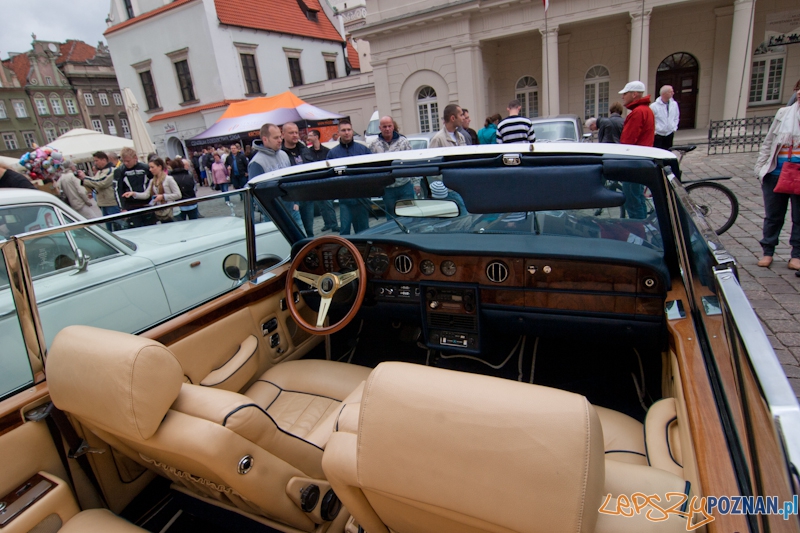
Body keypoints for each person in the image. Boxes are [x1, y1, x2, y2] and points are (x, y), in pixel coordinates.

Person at [754, 86, 800, 271]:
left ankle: (796, 254)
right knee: (773, 216)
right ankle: (768, 251)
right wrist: (760, 167)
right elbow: (769, 141)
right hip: (776, 172)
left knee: (799, 217)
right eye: (799, 88)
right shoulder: (784, 113)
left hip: (798, 174)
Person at [249, 123, 301, 230]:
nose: (280, 140)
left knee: (303, 243)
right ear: (265, 139)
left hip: (292, 209)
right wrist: (271, 212)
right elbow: (256, 194)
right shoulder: (257, 163)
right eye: (276, 137)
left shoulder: (283, 154)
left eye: (280, 137)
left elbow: (291, 179)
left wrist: (296, 202)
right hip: (275, 215)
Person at [619, 81, 655, 220]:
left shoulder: (638, 112)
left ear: (634, 94)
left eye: (625, 94)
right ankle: (643, 226)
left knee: (633, 201)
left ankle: (638, 230)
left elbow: (628, 140)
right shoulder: (646, 110)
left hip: (633, 161)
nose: (623, 97)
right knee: (638, 198)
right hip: (641, 159)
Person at [328, 119, 371, 234]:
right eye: (343, 130)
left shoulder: (363, 150)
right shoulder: (332, 154)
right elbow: (329, 176)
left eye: (348, 130)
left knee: (363, 232)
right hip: (344, 199)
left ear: (352, 131)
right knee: (344, 231)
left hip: (362, 198)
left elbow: (372, 172)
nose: (346, 132)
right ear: (338, 133)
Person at [370, 116, 414, 218]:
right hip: (387, 187)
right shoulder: (374, 145)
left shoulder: (404, 142)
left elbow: (412, 162)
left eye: (389, 126)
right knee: (392, 218)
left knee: (410, 215)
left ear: (393, 126)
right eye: (384, 126)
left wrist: (416, 183)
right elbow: (372, 167)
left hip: (405, 185)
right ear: (380, 128)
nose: (387, 129)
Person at [122, 158, 181, 223]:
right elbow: (146, 195)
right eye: (150, 167)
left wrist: (163, 197)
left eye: (152, 167)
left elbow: (178, 194)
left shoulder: (168, 179)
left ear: (159, 167)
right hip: (161, 212)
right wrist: (133, 193)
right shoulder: (152, 181)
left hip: (172, 212)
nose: (150, 170)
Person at [282, 122, 315, 236]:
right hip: (291, 196)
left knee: (309, 229)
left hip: (306, 194)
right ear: (283, 134)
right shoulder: (281, 153)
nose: (295, 135)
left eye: (296, 132)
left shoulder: (304, 149)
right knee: (296, 230)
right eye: (291, 133)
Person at [307, 130, 339, 232]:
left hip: (326, 181)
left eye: (310, 135)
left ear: (316, 137)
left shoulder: (326, 151)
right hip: (315, 181)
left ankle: (334, 224)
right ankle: (327, 224)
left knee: (328, 204)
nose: (308, 137)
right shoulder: (308, 151)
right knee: (321, 205)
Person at [116, 147, 155, 227]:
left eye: (128, 161)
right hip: (131, 206)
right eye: (124, 161)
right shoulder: (120, 171)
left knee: (152, 227)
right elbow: (118, 190)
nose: (126, 163)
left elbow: (153, 183)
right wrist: (122, 208)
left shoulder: (145, 168)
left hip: (147, 204)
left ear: (135, 158)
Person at [83, 151, 121, 231]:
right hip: (103, 204)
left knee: (118, 227)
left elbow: (100, 182)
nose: (95, 163)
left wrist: (85, 178)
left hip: (111, 203)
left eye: (96, 161)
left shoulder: (111, 170)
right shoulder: (100, 172)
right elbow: (94, 182)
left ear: (103, 160)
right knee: (109, 229)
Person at [651, 85, 680, 150]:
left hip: (669, 133)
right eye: (670, 92)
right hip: (658, 134)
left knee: (668, 152)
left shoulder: (674, 104)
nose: (673, 93)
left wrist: (674, 127)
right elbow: (651, 120)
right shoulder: (654, 106)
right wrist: (655, 131)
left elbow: (676, 116)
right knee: (657, 152)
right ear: (664, 94)